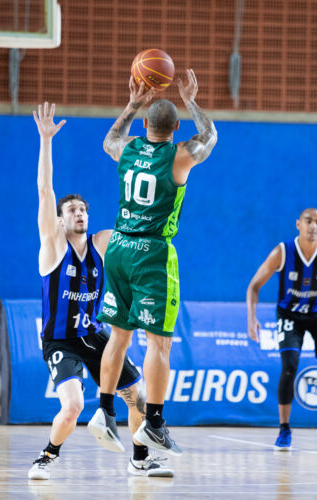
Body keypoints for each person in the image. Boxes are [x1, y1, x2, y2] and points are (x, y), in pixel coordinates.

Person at [28, 103, 172, 480]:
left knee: (137, 395)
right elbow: (46, 191)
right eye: (72, 210)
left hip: (95, 337)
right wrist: (46, 142)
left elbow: (136, 232)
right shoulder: (53, 246)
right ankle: (47, 455)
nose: (79, 214)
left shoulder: (104, 243)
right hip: (60, 341)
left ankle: (140, 458)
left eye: (83, 210)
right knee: (73, 405)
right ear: (60, 220)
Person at [87, 71, 217, 456]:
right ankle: (154, 422)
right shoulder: (179, 156)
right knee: (158, 342)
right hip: (151, 253)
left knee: (119, 336)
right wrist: (191, 99)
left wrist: (130, 104)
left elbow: (108, 139)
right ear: (176, 127)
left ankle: (105, 409)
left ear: (145, 124)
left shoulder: (127, 149)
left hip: (119, 245)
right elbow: (210, 137)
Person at [246, 208, 317, 451]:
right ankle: (284, 429)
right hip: (290, 314)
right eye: (308, 221)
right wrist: (252, 318)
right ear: (298, 224)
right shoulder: (282, 252)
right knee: (290, 366)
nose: (313, 226)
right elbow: (254, 286)